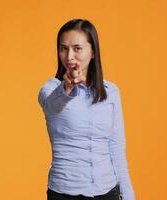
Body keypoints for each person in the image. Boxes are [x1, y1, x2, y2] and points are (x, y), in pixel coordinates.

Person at [38, 18, 135, 200]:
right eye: (63, 48)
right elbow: (51, 107)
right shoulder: (50, 90)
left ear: (92, 52)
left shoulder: (111, 92)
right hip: (64, 193)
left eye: (77, 48)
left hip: (107, 192)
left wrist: (128, 195)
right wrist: (66, 88)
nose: (69, 56)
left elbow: (116, 148)